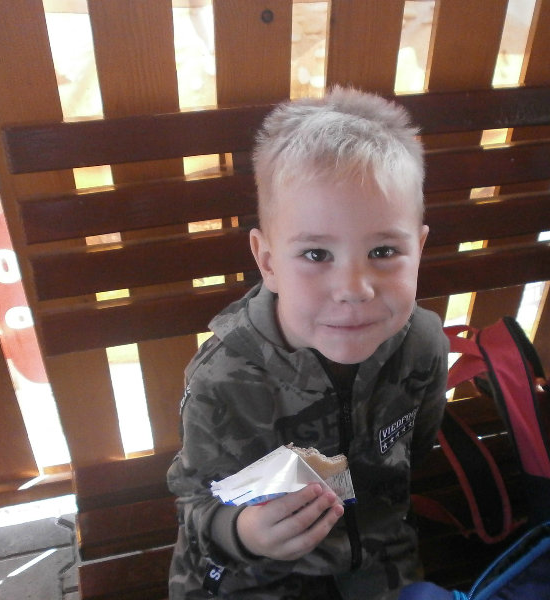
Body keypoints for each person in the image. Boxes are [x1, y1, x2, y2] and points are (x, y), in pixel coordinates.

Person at [167, 86, 449, 600]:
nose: (354, 289)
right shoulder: (224, 379)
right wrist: (244, 533)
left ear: (419, 248)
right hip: (253, 576)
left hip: (379, 560)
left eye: (384, 251)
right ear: (268, 261)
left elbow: (418, 449)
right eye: (317, 255)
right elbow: (195, 504)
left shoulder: (422, 344)